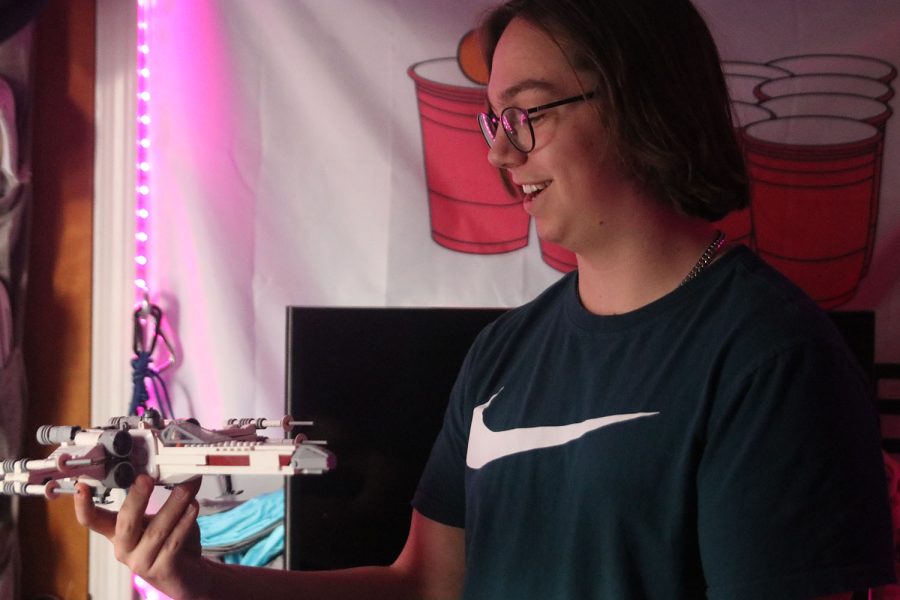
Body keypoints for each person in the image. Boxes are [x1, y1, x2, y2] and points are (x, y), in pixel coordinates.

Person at [74, 0, 896, 598]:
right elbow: (427, 586)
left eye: (528, 115)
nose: (503, 157)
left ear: (642, 99)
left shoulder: (771, 359)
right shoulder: (506, 354)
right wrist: (196, 580)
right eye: (493, 123)